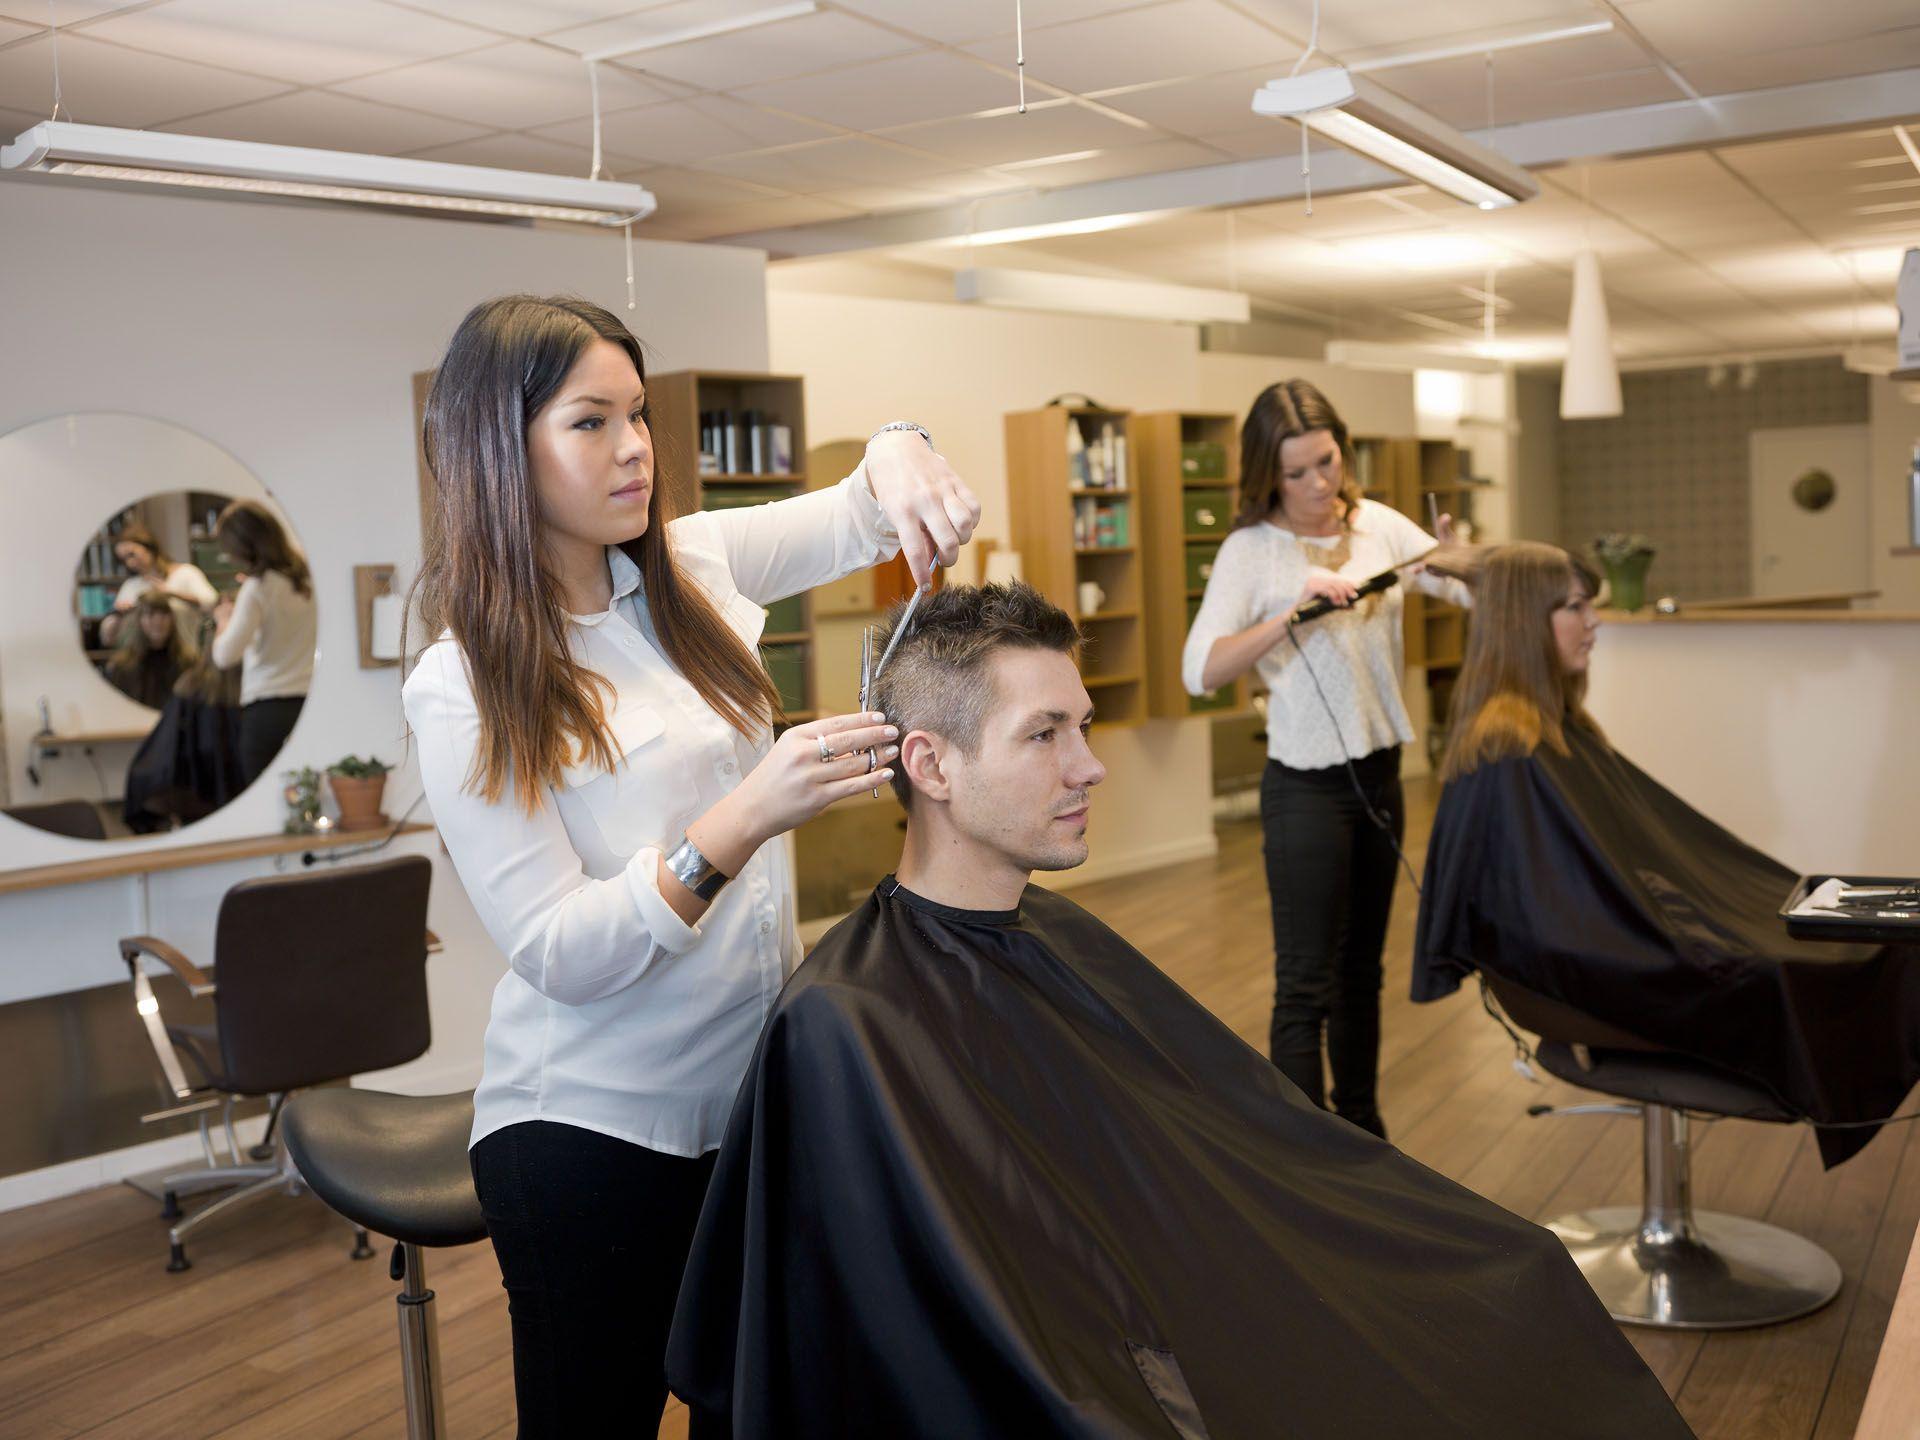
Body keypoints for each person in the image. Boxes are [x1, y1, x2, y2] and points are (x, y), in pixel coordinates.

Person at [666, 581, 1692, 1440]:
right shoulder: (850, 1021)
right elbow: (956, 1327)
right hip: (1104, 1365)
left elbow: (1240, 1144)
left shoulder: (1052, 934)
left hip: (1191, 1292)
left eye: (1084, 727)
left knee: (1514, 1273)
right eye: (1045, 735)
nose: (1091, 765)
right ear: (930, 765)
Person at [400, 294, 980, 1438]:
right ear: (495, 450)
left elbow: (868, 509)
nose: (632, 450)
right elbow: (559, 951)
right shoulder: (462, 681)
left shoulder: (693, 564)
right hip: (590, 1135)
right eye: (588, 423)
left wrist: (903, 445)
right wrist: (746, 816)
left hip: (754, 1108)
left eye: (638, 416)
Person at [1413, 543, 1920, 1168]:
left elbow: (1634, 870)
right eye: (1575, 607)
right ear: (1524, 621)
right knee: (1795, 971)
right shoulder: (1510, 750)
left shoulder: (1559, 731)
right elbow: (1554, 923)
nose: (1593, 622)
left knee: (1866, 939)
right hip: (1606, 977)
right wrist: (1703, 941)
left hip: (1641, 949)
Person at [1181, 379, 1471, 1139]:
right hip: (1303, 789)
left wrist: (1463, 554)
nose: (1318, 486)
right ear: (1266, 474)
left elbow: (1465, 592)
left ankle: (1365, 1138)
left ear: (1342, 449)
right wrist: (1290, 616)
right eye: (1295, 473)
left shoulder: (1379, 526)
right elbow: (1200, 669)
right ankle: (1307, 1156)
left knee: (1361, 976)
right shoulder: (1251, 551)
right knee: (1304, 984)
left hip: (1380, 777)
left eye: (1327, 462)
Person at [209, 498, 317, 786]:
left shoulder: (257, 588)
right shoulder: (308, 578)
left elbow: (224, 656)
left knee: (265, 797)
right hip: (309, 702)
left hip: (267, 710)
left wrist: (223, 620)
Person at [98, 521, 217, 645]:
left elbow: (211, 602)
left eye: (132, 554)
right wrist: (119, 614)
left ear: (149, 548)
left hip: (186, 651)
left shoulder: (186, 573)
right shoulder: (131, 585)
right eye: (124, 559)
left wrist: (172, 593)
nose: (130, 563)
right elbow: (108, 637)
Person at [104, 590, 200, 710]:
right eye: (151, 614)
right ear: (140, 620)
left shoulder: (189, 662)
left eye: (164, 614)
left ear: (172, 619)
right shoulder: (121, 666)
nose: (158, 621)